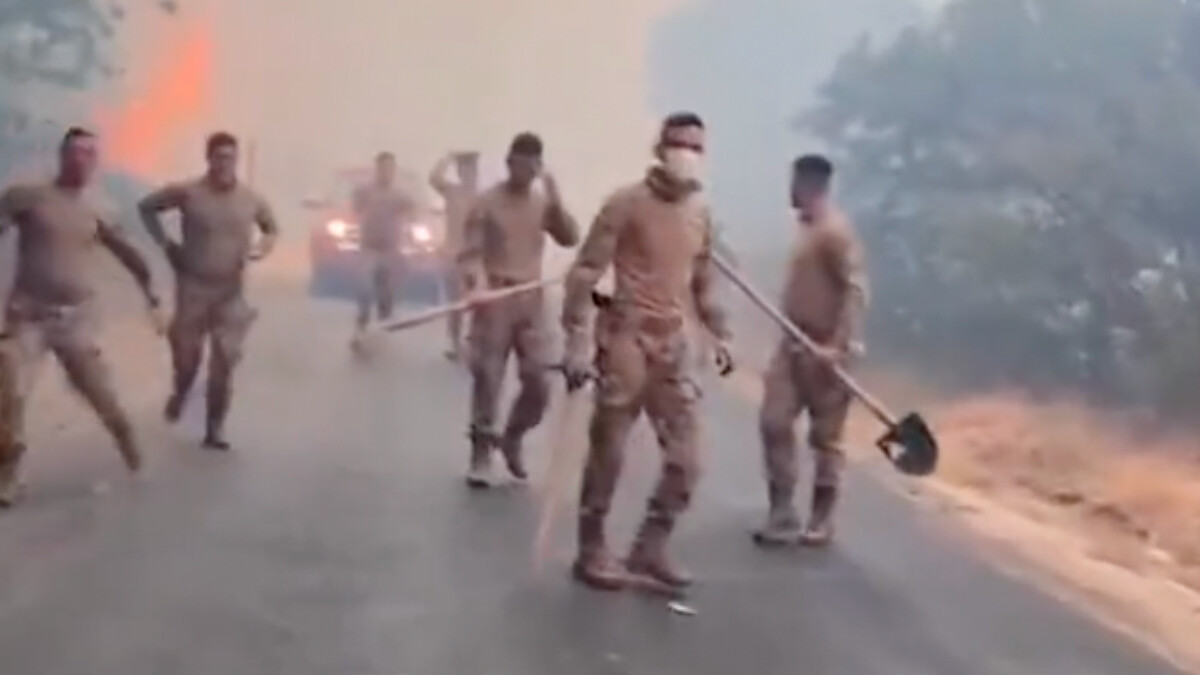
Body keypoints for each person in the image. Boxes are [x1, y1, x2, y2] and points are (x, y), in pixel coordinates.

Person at [560, 112, 733, 592]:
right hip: (626, 338)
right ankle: (591, 548)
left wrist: (719, 334)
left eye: (697, 147)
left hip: (672, 344)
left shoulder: (701, 213)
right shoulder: (626, 203)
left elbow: (703, 284)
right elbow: (585, 272)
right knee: (609, 451)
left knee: (688, 459)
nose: (687, 155)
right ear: (659, 148)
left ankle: (650, 546)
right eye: (680, 144)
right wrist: (575, 340)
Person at [0, 127, 164, 507]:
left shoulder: (99, 209)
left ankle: (132, 452)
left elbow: (131, 256)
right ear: (62, 156)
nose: (82, 160)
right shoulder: (27, 198)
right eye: (76, 152)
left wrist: (152, 297)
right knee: (9, 391)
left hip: (75, 320)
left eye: (90, 154)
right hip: (28, 316)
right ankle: (8, 477)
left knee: (102, 396)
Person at [137, 131, 280, 451]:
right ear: (208, 159)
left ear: (236, 160)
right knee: (187, 359)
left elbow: (271, 228)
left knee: (224, 362)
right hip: (193, 288)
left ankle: (214, 428)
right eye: (218, 157)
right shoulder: (189, 193)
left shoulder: (250, 199)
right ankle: (181, 390)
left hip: (231, 292)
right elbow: (146, 207)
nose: (224, 164)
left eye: (230, 157)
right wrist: (165, 244)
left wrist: (261, 248)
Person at [753, 154, 868, 548]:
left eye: (794, 182)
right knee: (774, 421)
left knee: (825, 439)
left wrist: (837, 346)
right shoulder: (806, 230)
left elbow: (856, 290)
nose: (790, 190)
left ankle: (822, 518)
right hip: (794, 345)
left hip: (827, 350)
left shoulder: (835, 232)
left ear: (808, 185)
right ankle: (781, 511)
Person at [458, 133, 579, 488]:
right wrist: (477, 284)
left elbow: (570, 237)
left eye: (533, 165)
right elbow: (470, 254)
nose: (525, 171)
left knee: (539, 380)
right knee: (488, 377)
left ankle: (513, 436)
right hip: (494, 296)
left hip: (531, 300)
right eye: (519, 163)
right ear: (509, 163)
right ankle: (481, 452)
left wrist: (556, 198)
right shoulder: (487, 203)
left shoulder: (542, 203)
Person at [349, 151, 419, 348]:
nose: (386, 172)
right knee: (364, 288)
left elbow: (414, 212)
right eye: (383, 168)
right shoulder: (365, 191)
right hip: (369, 248)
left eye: (390, 168)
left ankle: (382, 326)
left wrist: (411, 223)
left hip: (390, 249)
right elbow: (355, 209)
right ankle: (360, 329)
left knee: (386, 293)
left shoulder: (400, 195)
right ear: (377, 169)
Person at [429, 150, 482, 361]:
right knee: (455, 303)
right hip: (452, 253)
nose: (468, 173)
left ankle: (473, 339)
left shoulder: (483, 197)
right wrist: (448, 157)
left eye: (471, 169)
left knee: (478, 302)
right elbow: (433, 178)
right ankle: (455, 342)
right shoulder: (452, 192)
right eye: (464, 169)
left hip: (475, 257)